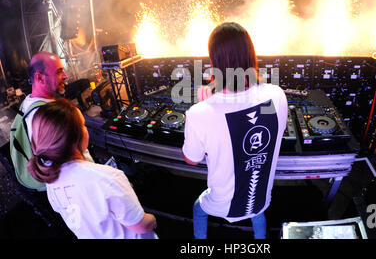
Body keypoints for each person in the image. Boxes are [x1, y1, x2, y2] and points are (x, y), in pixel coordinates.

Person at [182, 22, 288, 239]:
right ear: (251, 54)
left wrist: (207, 102)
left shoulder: (199, 114)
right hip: (261, 198)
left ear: (213, 62)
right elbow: (252, 109)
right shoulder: (277, 95)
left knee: (198, 208)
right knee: (256, 212)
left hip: (221, 204)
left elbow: (191, 159)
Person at [26, 99, 158, 239]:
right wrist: (153, 219)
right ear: (76, 136)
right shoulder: (108, 177)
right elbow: (142, 226)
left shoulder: (50, 179)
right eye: (83, 125)